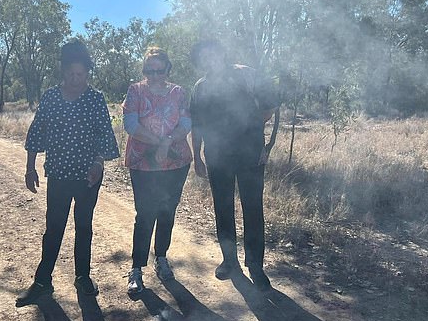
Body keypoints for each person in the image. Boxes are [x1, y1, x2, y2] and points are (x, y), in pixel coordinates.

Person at [16, 40, 120, 307]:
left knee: (84, 227)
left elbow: (104, 138)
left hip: (89, 177)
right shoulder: (51, 97)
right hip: (59, 175)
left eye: (81, 75)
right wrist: (30, 167)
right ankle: (42, 282)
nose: (76, 80)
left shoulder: (95, 99)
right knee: (54, 228)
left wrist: (98, 163)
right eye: (72, 74)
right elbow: (37, 132)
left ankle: (83, 277)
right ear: (63, 72)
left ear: (87, 73)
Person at [189, 39, 278, 291]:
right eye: (204, 57)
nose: (210, 60)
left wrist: (253, 136)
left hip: (250, 154)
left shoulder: (246, 74)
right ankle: (230, 261)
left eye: (213, 54)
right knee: (223, 208)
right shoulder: (201, 87)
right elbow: (197, 124)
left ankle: (256, 266)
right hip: (217, 156)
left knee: (253, 208)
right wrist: (196, 156)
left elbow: (270, 106)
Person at [122, 47, 193, 295]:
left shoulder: (178, 92)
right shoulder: (135, 91)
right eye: (148, 70)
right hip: (144, 163)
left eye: (159, 70)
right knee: (145, 215)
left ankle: (161, 258)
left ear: (167, 70)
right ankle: (136, 269)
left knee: (167, 213)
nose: (153, 75)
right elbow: (130, 123)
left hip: (176, 162)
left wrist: (167, 142)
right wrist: (158, 142)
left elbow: (186, 122)